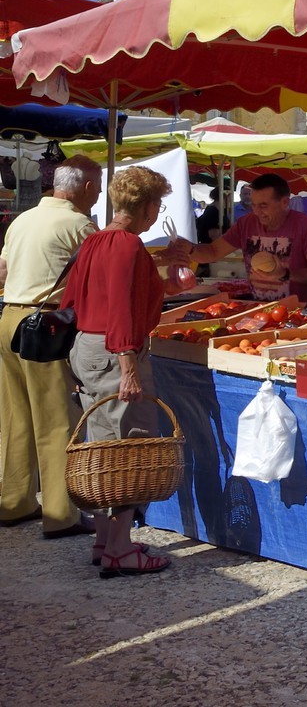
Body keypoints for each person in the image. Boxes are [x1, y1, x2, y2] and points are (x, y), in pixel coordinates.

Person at [62, 165, 186, 577]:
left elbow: (73, 297)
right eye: (158, 205)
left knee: (102, 449)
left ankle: (104, 539)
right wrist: (129, 364)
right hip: (116, 351)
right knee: (129, 449)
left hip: (86, 346)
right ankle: (120, 548)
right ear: (148, 207)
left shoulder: (97, 239)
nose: (157, 213)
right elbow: (120, 307)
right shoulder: (128, 247)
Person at [0, 156, 101, 537]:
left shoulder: (22, 219)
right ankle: (60, 513)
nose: (100, 191)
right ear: (87, 188)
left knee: (15, 415)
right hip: (47, 325)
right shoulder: (79, 224)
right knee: (56, 418)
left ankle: (14, 501)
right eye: (98, 184)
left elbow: (3, 272)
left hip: (10, 314)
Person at [178, 173, 307, 302]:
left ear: (284, 202)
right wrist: (190, 249)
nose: (257, 212)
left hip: (297, 311)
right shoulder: (246, 223)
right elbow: (213, 252)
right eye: (254, 205)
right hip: (257, 308)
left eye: (263, 206)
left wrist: (285, 274)